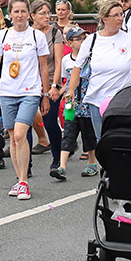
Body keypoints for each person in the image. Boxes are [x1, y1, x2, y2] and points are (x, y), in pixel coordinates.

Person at [64, 0, 131, 149]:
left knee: (122, 139)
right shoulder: (92, 40)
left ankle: (120, 172)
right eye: (116, 15)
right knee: (103, 141)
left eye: (121, 14)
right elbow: (77, 67)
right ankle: (108, 171)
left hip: (122, 101)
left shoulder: (129, 41)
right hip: (97, 100)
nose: (120, 18)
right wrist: (70, 90)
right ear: (105, 18)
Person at [0, 0, 49, 201]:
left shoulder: (37, 36)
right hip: (7, 92)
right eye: (16, 12)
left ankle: (24, 181)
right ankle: (19, 179)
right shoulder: (1, 36)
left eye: (23, 11)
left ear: (29, 14)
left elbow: (44, 67)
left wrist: (45, 93)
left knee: (19, 135)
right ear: (10, 14)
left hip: (30, 91)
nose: (20, 15)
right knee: (13, 138)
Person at [53, 27, 97, 178]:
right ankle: (62, 166)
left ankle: (92, 163)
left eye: (84, 38)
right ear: (70, 43)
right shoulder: (67, 60)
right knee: (68, 133)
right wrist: (61, 91)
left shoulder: (92, 59)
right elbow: (68, 80)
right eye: (79, 39)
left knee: (88, 135)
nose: (82, 42)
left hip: (87, 104)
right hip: (71, 104)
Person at [30, 0, 63, 172]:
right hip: (29, 83)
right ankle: (25, 163)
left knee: (49, 122)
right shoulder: (27, 34)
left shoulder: (54, 33)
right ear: (32, 15)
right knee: (25, 124)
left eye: (48, 12)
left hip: (50, 81)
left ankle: (57, 157)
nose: (47, 16)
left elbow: (58, 62)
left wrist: (55, 86)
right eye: (42, 13)